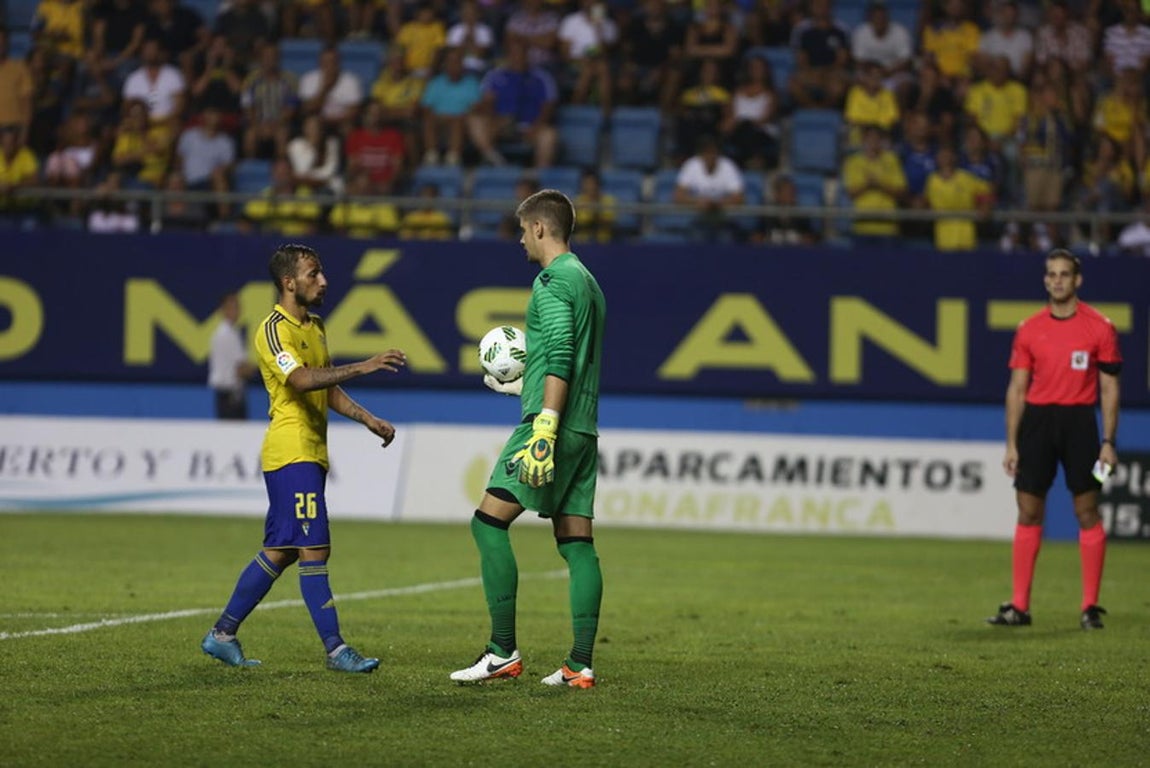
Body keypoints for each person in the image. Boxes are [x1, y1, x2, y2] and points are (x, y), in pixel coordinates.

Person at [201, 244, 407, 672]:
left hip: (310, 450)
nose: (324, 281)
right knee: (315, 546)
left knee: (281, 550)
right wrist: (365, 365)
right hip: (290, 450)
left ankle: (222, 634)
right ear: (288, 282)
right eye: (314, 274)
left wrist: (367, 418)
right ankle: (336, 649)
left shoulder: (315, 326)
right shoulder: (272, 329)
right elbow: (299, 379)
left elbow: (326, 387)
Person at [450, 189, 606, 689]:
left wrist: (543, 423)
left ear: (540, 228)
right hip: (584, 428)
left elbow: (560, 353)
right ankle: (580, 664)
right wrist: (525, 384)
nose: (521, 239)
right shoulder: (589, 282)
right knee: (577, 542)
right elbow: (572, 359)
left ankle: (501, 652)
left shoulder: (551, 281)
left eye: (522, 230)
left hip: (552, 427)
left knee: (487, 524)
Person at [988, 250, 1122, 631]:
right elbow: (1017, 389)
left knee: (1087, 512)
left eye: (1065, 274)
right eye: (1052, 274)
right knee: (1028, 511)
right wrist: (1011, 443)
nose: (1058, 280)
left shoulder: (1100, 327)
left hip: (1080, 424)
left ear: (1077, 280)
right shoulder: (1029, 329)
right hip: (1037, 423)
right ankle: (1019, 606)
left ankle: (1090, 606)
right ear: (1046, 280)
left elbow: (1110, 389)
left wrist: (1108, 440)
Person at [207, 290, 254, 420]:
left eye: (237, 306)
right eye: (232, 307)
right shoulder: (227, 335)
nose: (236, 310)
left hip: (229, 394)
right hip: (229, 396)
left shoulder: (227, 332)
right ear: (223, 310)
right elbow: (241, 369)